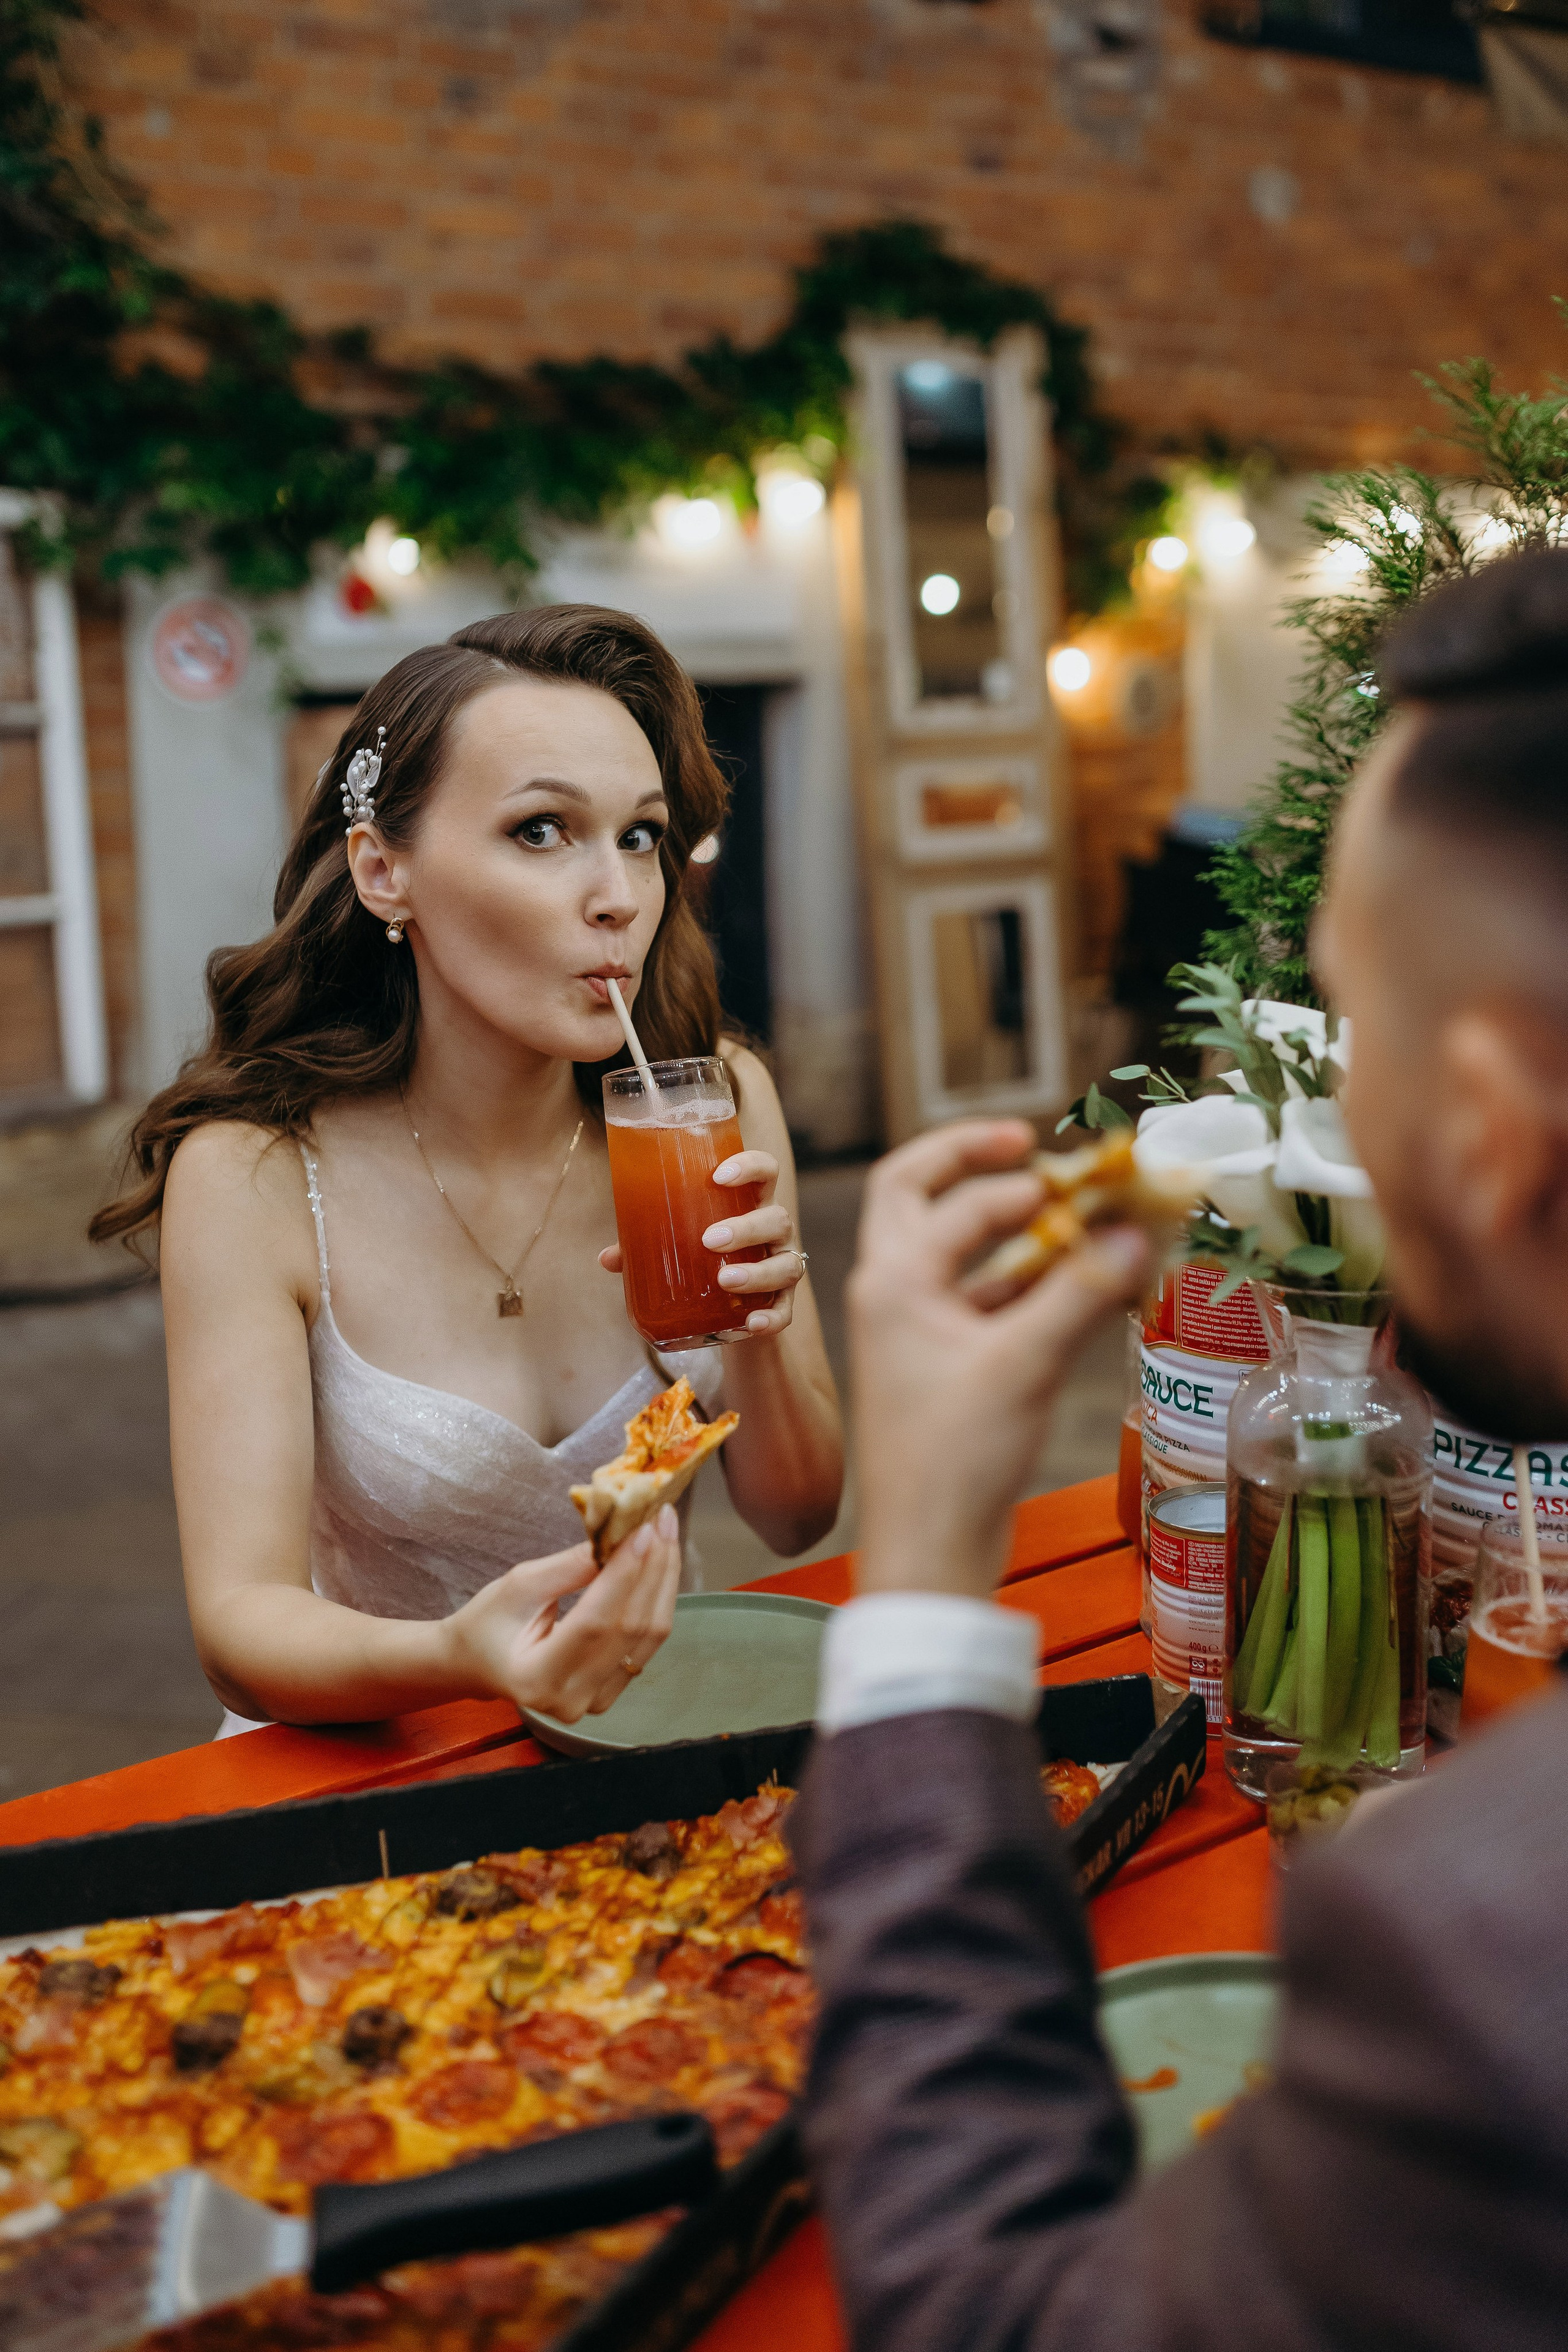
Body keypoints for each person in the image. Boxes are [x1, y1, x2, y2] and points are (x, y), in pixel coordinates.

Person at [792, 545, 1568, 2350]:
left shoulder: (1481, 1943)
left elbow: (991, 2315)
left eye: (1357, 1026)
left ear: (1486, 1132)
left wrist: (921, 1574)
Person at [92, 604, 842, 1733]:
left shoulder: (711, 1102)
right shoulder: (254, 1174)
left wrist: (760, 1338)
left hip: (640, 1736)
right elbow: (241, 1629)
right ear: (382, 871)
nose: (618, 896)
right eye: (541, 831)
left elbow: (796, 1518)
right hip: (374, 1765)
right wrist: (461, 1657)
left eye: (641, 836)